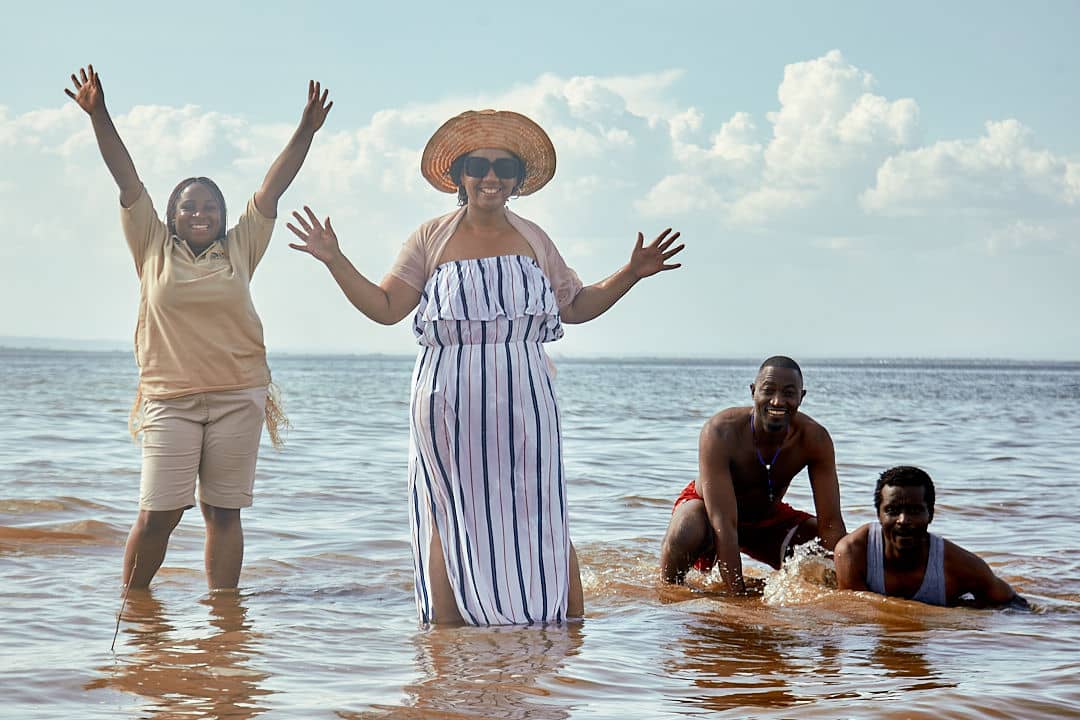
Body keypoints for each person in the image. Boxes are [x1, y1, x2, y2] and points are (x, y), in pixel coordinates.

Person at [287, 109, 684, 624]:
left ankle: (563, 630)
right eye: (478, 165)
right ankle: (447, 636)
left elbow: (576, 305)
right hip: (445, 394)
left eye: (504, 168)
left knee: (541, 506)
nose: (490, 177)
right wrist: (335, 259)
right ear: (459, 175)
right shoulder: (430, 237)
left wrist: (631, 273)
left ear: (519, 180)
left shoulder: (535, 237)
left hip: (525, 392)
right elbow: (385, 309)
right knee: (447, 511)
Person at [65, 65, 332, 590]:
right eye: (189, 206)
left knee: (224, 513)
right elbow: (125, 176)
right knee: (159, 513)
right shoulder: (151, 244)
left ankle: (223, 622)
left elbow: (273, 187)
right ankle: (134, 612)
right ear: (171, 214)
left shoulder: (241, 246)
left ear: (223, 213)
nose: (200, 213)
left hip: (238, 395)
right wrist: (99, 114)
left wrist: (306, 129)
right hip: (170, 398)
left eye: (210, 206)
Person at [660, 356, 847, 593]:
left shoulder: (814, 439)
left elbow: (830, 523)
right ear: (753, 392)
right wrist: (738, 598)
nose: (777, 401)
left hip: (766, 518)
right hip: (710, 514)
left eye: (789, 393)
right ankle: (668, 591)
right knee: (687, 526)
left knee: (828, 549)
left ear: (802, 397)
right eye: (768, 391)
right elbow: (723, 522)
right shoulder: (720, 431)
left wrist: (844, 589)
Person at [834, 465, 1028, 608]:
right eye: (892, 510)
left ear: (931, 514)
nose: (903, 520)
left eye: (915, 511)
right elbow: (858, 614)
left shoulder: (959, 565)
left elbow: (1011, 603)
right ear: (879, 515)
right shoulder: (852, 552)